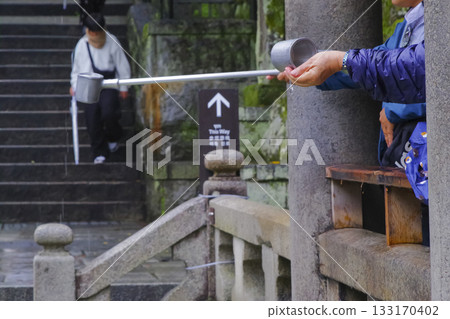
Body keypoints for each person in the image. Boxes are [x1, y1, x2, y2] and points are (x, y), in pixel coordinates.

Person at [70, 12, 131, 164]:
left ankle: (113, 136)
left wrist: (124, 86)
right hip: (88, 85)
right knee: (92, 119)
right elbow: (77, 69)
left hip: (108, 83)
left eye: (98, 31)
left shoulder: (112, 41)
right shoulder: (82, 45)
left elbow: (122, 66)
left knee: (109, 113)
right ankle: (99, 151)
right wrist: (74, 85)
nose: (95, 35)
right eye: (93, 32)